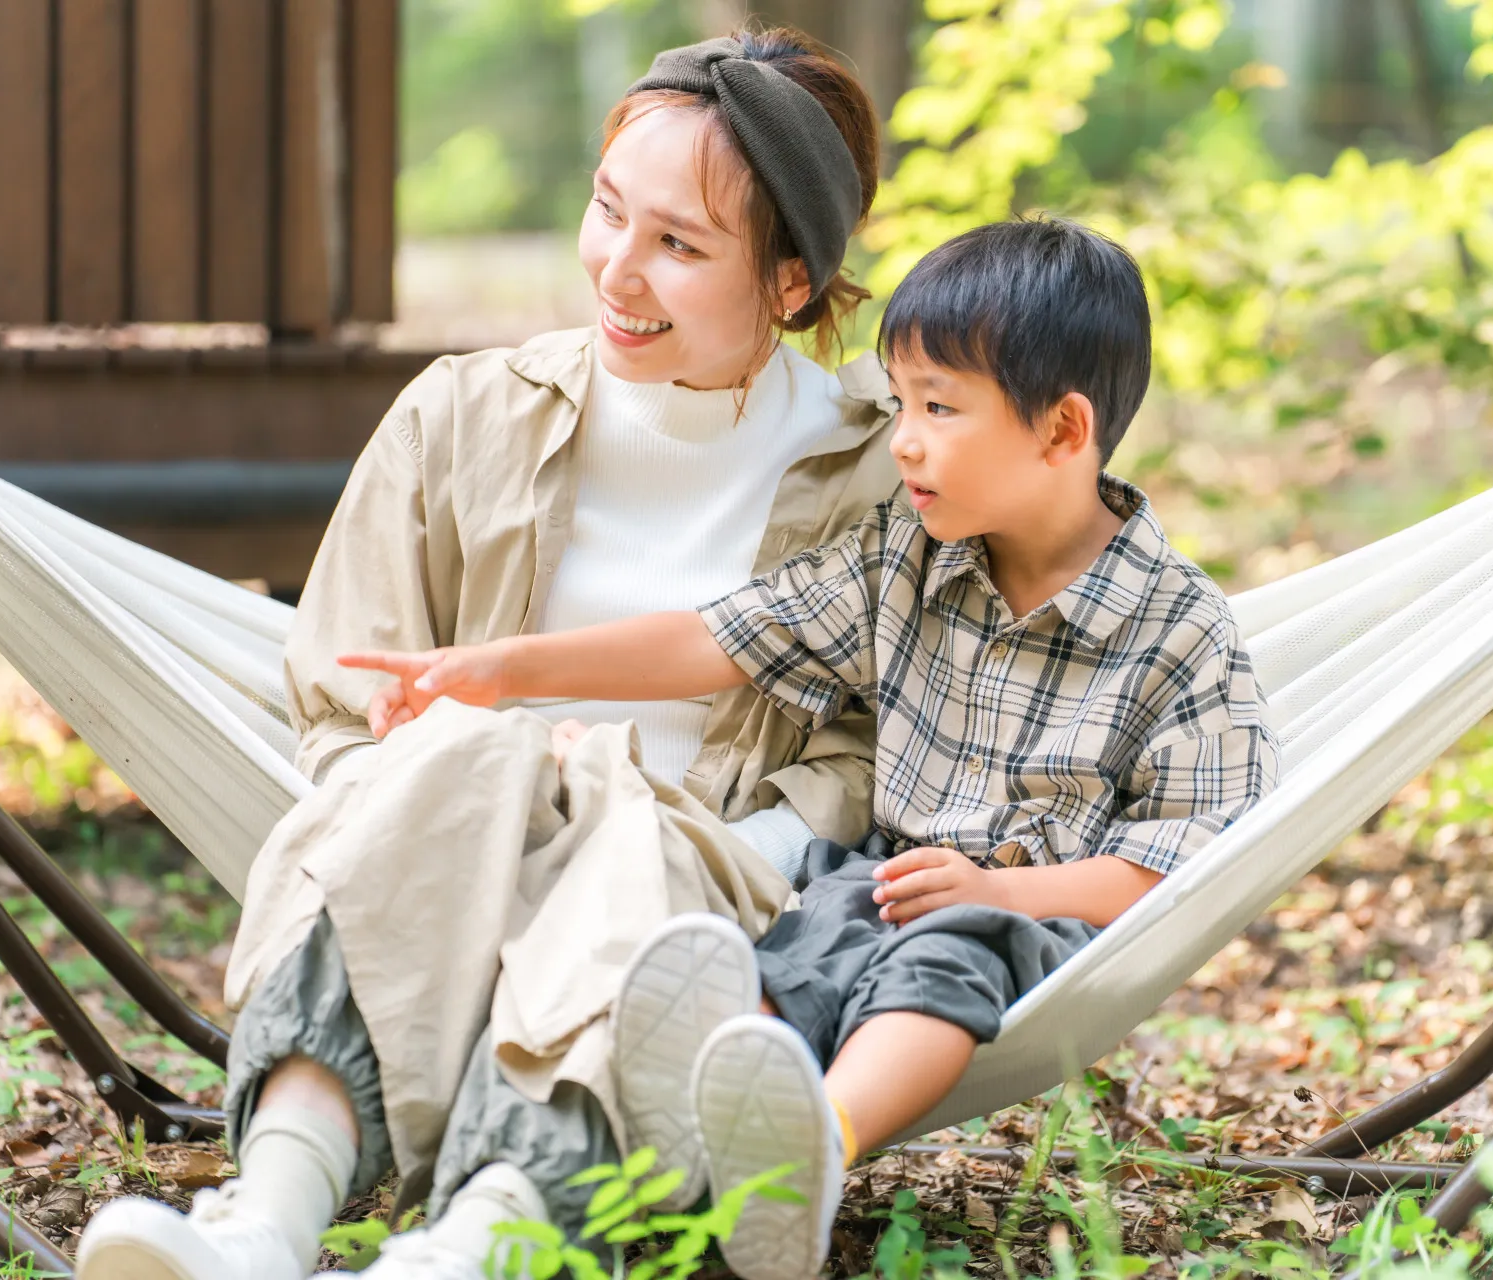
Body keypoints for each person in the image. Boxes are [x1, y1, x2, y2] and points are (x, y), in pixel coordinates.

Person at [77, 27, 898, 1280]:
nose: (618, 269)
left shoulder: (881, 478)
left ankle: (473, 1242)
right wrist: (471, 798)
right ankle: (265, 1221)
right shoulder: (460, 413)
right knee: (469, 759)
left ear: (790, 283)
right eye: (607, 208)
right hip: (445, 820)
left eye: (678, 245)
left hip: (699, 870)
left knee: (629, 847)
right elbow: (353, 690)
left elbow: (870, 747)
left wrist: (729, 847)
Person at [359, 217, 1281, 1280]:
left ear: (1063, 431)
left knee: (954, 944)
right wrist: (513, 666)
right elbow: (720, 636)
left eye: (939, 408)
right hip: (874, 881)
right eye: (901, 404)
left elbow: (1196, 861)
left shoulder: (1182, 635)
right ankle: (697, 1142)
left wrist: (1006, 890)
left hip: (1037, 921)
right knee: (771, 956)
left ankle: (817, 1152)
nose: (903, 439)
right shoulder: (910, 555)